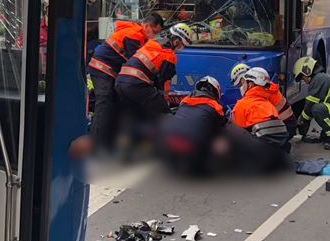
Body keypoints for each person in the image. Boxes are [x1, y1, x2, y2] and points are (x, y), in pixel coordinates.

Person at [87, 13, 165, 150]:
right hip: (102, 70)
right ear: (146, 26)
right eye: (154, 32)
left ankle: (107, 140)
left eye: (158, 34)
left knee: (114, 104)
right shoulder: (134, 35)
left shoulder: (138, 36)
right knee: (104, 104)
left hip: (108, 72)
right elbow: (136, 61)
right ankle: (95, 143)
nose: (154, 37)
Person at [115, 22, 193, 143]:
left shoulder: (151, 43)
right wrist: (165, 102)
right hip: (136, 85)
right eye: (181, 45)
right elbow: (164, 84)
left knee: (134, 116)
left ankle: (129, 149)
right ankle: (170, 146)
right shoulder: (169, 55)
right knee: (163, 112)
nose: (180, 48)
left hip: (121, 82)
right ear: (176, 41)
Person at [159, 75, 227, 174]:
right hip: (195, 146)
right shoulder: (216, 107)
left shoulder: (184, 101)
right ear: (215, 91)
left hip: (171, 140)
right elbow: (221, 129)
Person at [227, 68, 290, 170]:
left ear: (250, 84)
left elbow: (236, 132)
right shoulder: (268, 104)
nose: (242, 87)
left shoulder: (242, 105)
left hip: (261, 154)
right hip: (279, 150)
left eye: (244, 83)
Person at [293, 56, 330, 150]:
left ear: (307, 71)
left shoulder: (317, 80)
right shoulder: (321, 77)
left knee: (318, 109)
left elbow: (309, 106)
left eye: (302, 77)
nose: (304, 81)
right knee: (325, 136)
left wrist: (302, 121)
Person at [231, 64, 296, 137]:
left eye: (242, 83)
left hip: (283, 128)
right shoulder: (266, 87)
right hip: (285, 126)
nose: (241, 87)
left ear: (251, 83)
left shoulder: (262, 93)